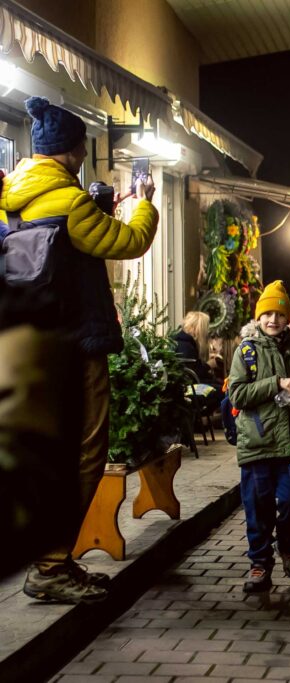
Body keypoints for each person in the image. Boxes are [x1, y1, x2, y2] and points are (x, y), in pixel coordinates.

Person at [7, 97, 159, 604]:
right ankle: (51, 565)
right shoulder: (68, 204)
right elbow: (130, 240)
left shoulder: (14, 197)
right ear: (74, 151)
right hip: (76, 346)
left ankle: (52, 559)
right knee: (86, 450)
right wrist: (141, 201)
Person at [227, 281, 290, 592]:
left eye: (279, 314)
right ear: (258, 317)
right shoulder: (246, 350)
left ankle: (287, 544)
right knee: (257, 508)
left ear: (287, 317)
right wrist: (275, 383)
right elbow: (236, 394)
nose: (273, 320)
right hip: (259, 444)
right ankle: (259, 563)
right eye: (267, 314)